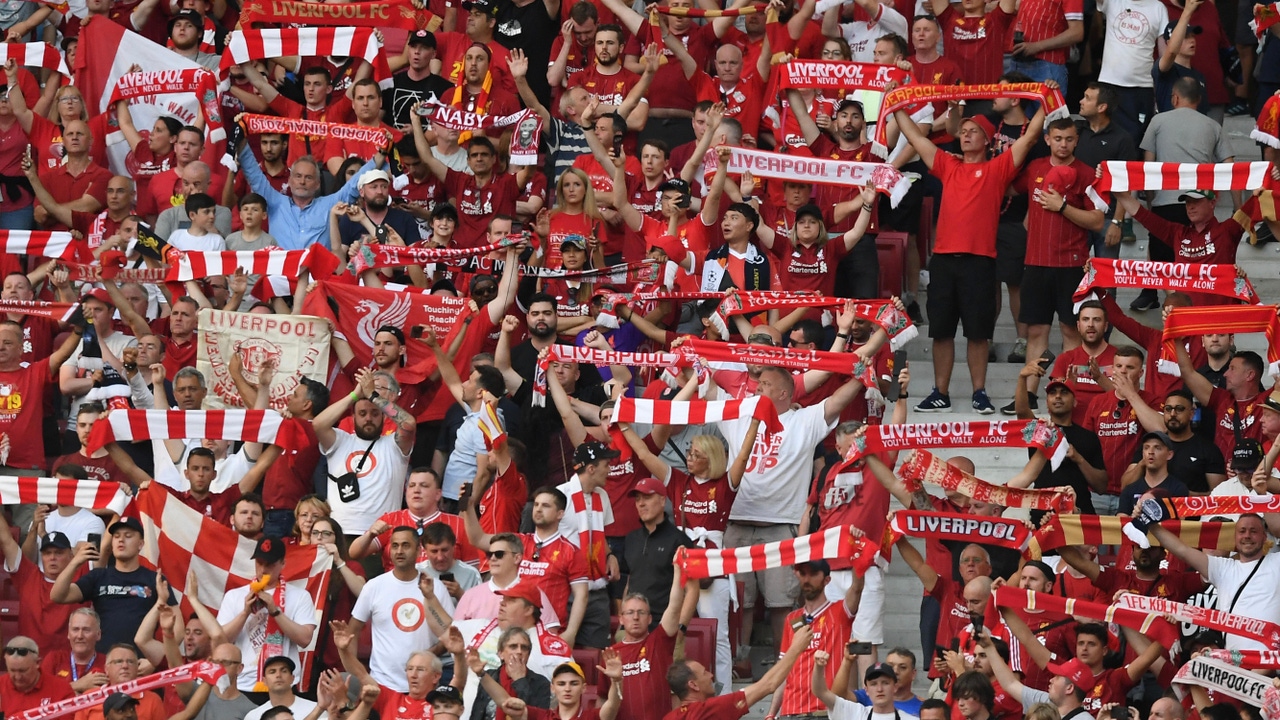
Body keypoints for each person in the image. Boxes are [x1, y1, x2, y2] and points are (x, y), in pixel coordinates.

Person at [896, 92, 1048, 415]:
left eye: (972, 131)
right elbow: (913, 136)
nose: (965, 135)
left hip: (980, 262)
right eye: (962, 131)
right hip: (944, 261)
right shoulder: (947, 165)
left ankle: (979, 392)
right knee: (941, 331)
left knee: (979, 333)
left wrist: (1045, 98)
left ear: (987, 139)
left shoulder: (997, 169)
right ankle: (940, 392)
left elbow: (1033, 134)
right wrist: (894, 105)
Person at [1149, 513, 1280, 650]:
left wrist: (1264, 495)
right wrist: (1150, 524)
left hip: (1270, 662)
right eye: (1242, 531)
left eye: (1253, 531)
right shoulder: (1223, 568)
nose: (1247, 536)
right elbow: (1182, 550)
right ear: (1234, 538)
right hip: (1234, 662)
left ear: (1264, 537)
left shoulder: (1276, 562)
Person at [314, 367, 415, 539]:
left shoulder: (394, 445)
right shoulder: (340, 440)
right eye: (362, 413)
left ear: (383, 416)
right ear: (353, 418)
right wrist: (354, 395)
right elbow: (318, 424)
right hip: (340, 534)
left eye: (375, 413)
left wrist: (373, 396)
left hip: (381, 535)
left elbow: (408, 424)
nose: (368, 418)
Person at [212, 537, 318, 692]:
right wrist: (244, 613)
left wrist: (275, 612)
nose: (263, 569)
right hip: (242, 682)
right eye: (259, 563)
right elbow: (221, 641)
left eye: (270, 564)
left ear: (283, 563)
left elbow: (305, 639)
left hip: (282, 684)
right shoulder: (234, 595)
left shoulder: (300, 596)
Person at [50, 517, 173, 651]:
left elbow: (177, 629)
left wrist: (154, 659)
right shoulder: (98, 576)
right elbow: (58, 595)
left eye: (128, 536)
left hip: (140, 663)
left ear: (140, 544)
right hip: (104, 663)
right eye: (116, 536)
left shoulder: (155, 579)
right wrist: (75, 562)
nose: (121, 540)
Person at [764, 558, 866, 720]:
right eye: (803, 574)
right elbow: (783, 671)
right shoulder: (792, 618)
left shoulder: (840, 612)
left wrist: (856, 554)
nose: (807, 579)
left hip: (826, 712)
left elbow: (857, 588)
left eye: (813, 574)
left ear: (827, 580)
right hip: (790, 712)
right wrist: (771, 713)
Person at [664, 623, 814, 720]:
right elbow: (768, 685)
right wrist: (796, 648)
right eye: (704, 673)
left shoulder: (669, 718)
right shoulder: (709, 711)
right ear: (693, 685)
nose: (711, 675)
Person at [611, 569, 697, 720]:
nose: (636, 617)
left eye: (641, 612)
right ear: (621, 618)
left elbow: (674, 606)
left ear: (650, 618)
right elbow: (602, 699)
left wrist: (677, 571)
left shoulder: (659, 642)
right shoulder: (611, 654)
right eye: (630, 612)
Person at [812, 655, 920, 720]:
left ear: (895, 687)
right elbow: (820, 692)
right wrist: (818, 667)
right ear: (866, 690)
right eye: (873, 684)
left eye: (885, 683)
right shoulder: (854, 713)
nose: (879, 689)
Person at [1117, 431, 1189, 514]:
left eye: (1157, 448)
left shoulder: (1178, 489)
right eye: (1146, 447)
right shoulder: (1129, 489)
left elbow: (1180, 524)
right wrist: (1134, 518)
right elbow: (1121, 522)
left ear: (1169, 455)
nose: (1150, 452)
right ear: (1143, 453)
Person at [0, 636, 74, 715]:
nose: (18, 677)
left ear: (38, 663)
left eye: (23, 671)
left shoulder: (61, 690)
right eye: (12, 670)